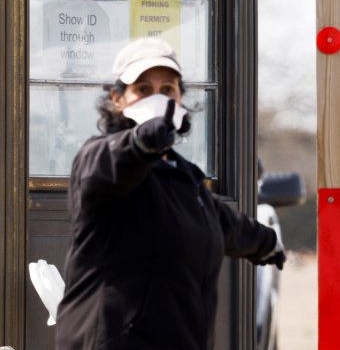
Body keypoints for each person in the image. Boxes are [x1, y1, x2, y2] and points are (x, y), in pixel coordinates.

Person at [55, 37, 285, 350]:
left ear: (179, 100)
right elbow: (106, 167)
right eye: (143, 90)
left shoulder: (184, 174)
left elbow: (221, 222)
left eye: (167, 90)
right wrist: (139, 143)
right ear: (117, 98)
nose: (157, 100)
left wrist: (266, 243)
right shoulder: (100, 157)